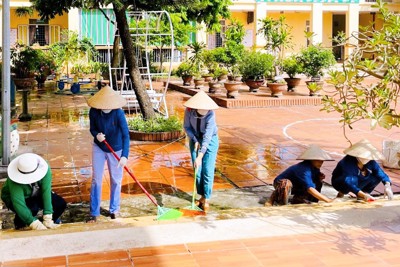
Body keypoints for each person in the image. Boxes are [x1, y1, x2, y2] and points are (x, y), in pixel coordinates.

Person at [87, 85, 130, 222]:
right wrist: (96, 135)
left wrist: (124, 155)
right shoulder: (94, 112)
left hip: (116, 148)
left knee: (116, 180)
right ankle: (94, 211)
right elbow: (92, 129)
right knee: (96, 179)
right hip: (99, 147)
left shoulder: (118, 113)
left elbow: (126, 135)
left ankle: (114, 209)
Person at [1, 153, 66, 230]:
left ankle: (50, 221)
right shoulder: (14, 181)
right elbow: (18, 204)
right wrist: (33, 223)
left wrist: (48, 215)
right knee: (32, 208)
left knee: (60, 203)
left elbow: (46, 191)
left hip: (35, 191)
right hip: (17, 197)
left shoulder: (44, 168)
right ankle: (20, 224)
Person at [183, 91, 219, 211]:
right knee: (197, 170)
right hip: (194, 138)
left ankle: (206, 197)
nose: (205, 111)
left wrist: (200, 156)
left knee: (207, 169)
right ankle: (201, 195)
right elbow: (186, 127)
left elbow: (208, 136)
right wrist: (194, 139)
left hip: (210, 140)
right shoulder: (189, 111)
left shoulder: (211, 115)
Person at [267, 144, 335, 206]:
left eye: (322, 161)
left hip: (297, 185)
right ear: (311, 159)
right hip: (281, 183)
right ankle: (274, 199)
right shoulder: (304, 169)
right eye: (318, 160)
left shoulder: (315, 168)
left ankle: (300, 199)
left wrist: (319, 178)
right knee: (285, 184)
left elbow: (312, 183)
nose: (321, 163)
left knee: (318, 181)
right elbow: (309, 188)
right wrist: (327, 200)